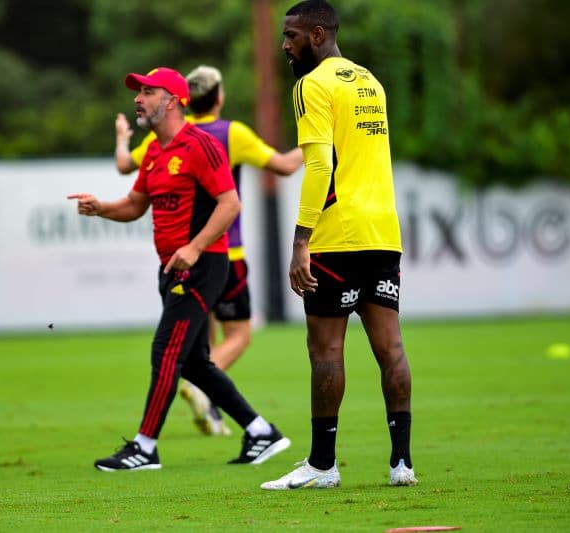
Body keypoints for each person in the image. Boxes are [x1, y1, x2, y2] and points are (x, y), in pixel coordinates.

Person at [69, 67, 291, 471]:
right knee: (193, 363)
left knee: (165, 351)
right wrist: (101, 208)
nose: (137, 98)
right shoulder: (154, 150)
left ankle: (144, 447)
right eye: (137, 91)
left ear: (172, 100)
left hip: (202, 265)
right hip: (173, 267)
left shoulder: (201, 145)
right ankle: (261, 432)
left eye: (147, 91)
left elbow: (230, 203)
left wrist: (194, 246)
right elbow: (136, 206)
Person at [261, 0, 418, 490]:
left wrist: (301, 240)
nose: (284, 46)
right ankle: (402, 464)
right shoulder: (369, 81)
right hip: (382, 230)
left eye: (291, 36)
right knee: (390, 345)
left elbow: (320, 167)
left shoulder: (312, 85)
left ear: (317, 33)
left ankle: (323, 466)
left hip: (337, 232)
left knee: (325, 348)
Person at [114, 65, 303, 437]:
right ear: (218, 97)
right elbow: (284, 166)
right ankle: (203, 393)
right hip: (222, 256)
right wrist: (318, 145)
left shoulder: (167, 137)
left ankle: (239, 419)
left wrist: (121, 138)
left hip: (190, 257)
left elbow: (124, 165)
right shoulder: (231, 133)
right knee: (235, 338)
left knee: (195, 346)